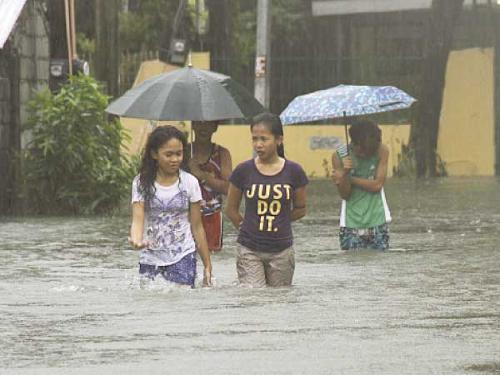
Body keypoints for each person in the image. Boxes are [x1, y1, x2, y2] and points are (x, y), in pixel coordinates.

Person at [225, 112, 308, 287]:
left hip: (282, 250)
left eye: (264, 139)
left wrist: (282, 219)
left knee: (279, 301)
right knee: (253, 297)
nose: (258, 145)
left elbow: (301, 208)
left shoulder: (294, 171)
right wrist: (245, 226)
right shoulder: (243, 171)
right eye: (254, 139)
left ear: (279, 140)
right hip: (249, 249)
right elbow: (231, 209)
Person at [129, 125, 212, 287]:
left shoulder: (190, 182)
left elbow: (197, 226)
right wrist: (136, 239)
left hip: (183, 255)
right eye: (168, 155)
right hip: (150, 257)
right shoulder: (141, 182)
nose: (175, 159)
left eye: (179, 154)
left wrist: (207, 265)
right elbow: (137, 219)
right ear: (154, 154)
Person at [331, 120, 391, 251]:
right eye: (363, 149)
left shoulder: (382, 151)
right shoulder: (339, 156)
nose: (366, 154)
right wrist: (345, 172)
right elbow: (345, 194)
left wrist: (349, 178)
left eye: (371, 150)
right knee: (353, 267)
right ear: (354, 143)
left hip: (378, 220)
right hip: (350, 223)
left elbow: (377, 185)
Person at [187, 120, 232, 252]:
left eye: (208, 124)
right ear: (193, 125)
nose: (203, 128)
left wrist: (201, 175)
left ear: (215, 127)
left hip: (212, 217)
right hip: (185, 216)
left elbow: (229, 188)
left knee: (212, 257)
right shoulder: (183, 152)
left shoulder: (222, 154)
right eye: (199, 123)